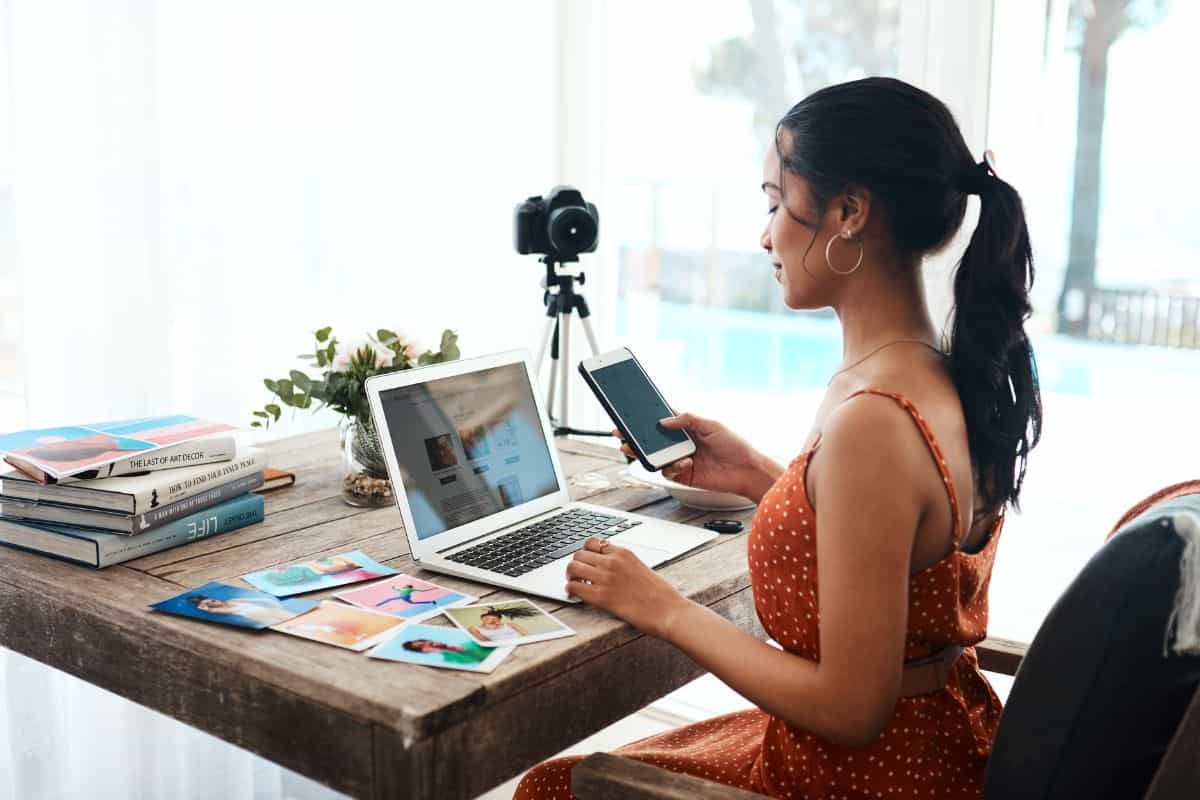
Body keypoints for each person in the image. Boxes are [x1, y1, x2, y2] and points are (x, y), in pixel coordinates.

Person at [515, 76, 1041, 799]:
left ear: (850, 211)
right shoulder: (935, 374)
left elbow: (852, 710)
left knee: (553, 786)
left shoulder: (874, 422)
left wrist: (660, 605)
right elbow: (896, 550)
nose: (765, 234)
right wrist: (757, 475)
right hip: (934, 744)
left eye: (774, 203)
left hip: (863, 775)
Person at [186, 594, 297, 625]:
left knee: (293, 617)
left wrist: (272, 602)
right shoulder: (219, 610)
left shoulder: (233, 600)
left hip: (265, 611)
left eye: (212, 601)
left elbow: (259, 599)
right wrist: (206, 609)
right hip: (254, 615)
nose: (214, 604)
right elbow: (215, 611)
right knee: (285, 623)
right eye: (210, 604)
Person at [403, 637, 491, 666]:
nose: (431, 643)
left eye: (425, 642)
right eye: (421, 646)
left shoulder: (469, 644)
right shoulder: (451, 658)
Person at [467, 606, 536, 642]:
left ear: (499, 619)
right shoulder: (474, 628)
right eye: (488, 618)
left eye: (495, 618)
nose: (492, 620)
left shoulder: (511, 625)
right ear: (482, 619)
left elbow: (526, 635)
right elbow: (485, 641)